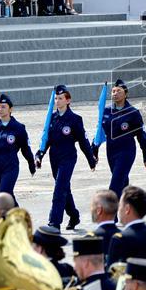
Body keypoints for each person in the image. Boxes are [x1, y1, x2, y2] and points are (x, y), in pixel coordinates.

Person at [35, 84, 96, 230]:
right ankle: (74, 215)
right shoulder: (51, 118)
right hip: (54, 158)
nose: (57, 101)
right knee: (64, 189)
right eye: (56, 98)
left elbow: (83, 141)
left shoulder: (75, 119)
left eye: (61, 98)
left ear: (68, 100)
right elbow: (46, 140)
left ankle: (54, 223)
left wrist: (91, 159)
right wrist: (39, 155)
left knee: (59, 189)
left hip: (68, 158)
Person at [98, 78, 146, 197]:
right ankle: (129, 205)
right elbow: (100, 133)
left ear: (126, 94)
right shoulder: (106, 111)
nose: (115, 94)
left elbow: (141, 135)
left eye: (119, 91)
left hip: (126, 152)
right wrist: (94, 150)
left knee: (115, 185)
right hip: (111, 152)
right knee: (122, 182)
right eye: (113, 91)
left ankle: (111, 209)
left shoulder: (133, 112)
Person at [0, 93, 36, 200]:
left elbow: (25, 148)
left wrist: (31, 163)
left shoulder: (18, 128)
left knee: (3, 195)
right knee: (7, 196)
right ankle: (17, 211)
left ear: (10, 109)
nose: (0, 109)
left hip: (11, 166)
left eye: (3, 107)